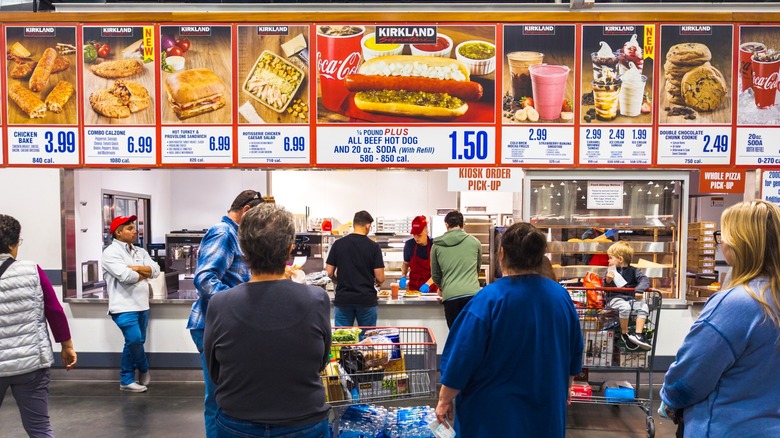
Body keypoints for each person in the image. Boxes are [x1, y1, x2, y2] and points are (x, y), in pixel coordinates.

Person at [435, 222, 583, 436]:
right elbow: (574, 350)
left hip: (493, 418)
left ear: (502, 253)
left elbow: (462, 357)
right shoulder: (560, 297)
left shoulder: (488, 300)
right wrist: (566, 386)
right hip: (546, 411)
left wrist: (444, 399)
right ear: (541, 257)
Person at [204, 203, 331, 438]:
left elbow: (215, 372)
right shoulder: (317, 299)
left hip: (237, 423)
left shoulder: (220, 303)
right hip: (304, 422)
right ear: (290, 249)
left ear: (244, 249)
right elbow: (322, 361)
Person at [660, 200, 780, 437]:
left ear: (739, 243)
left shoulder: (738, 304)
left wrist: (669, 401)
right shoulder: (772, 297)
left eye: (722, 236)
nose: (721, 243)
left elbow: (688, 379)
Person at [187, 189, 264, 437]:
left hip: (228, 324)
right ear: (247, 211)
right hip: (213, 326)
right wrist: (238, 303)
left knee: (229, 393)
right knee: (218, 398)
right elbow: (205, 279)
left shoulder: (237, 235)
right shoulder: (223, 233)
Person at [0, 214, 77, 437]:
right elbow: (54, 311)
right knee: (39, 428)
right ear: (14, 244)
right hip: (31, 363)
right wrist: (67, 346)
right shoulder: (32, 271)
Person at [101, 214, 160, 392]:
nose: (135, 231)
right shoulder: (110, 253)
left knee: (135, 341)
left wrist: (136, 268)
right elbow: (127, 277)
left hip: (142, 305)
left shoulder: (139, 251)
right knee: (134, 339)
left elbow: (156, 270)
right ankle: (143, 368)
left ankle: (126, 379)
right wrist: (143, 272)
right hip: (123, 307)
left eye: (134, 227)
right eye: (130, 228)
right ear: (118, 232)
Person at [326, 210, 385, 328]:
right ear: (367, 226)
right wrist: (376, 282)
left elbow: (329, 272)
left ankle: (344, 348)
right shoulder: (374, 247)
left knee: (343, 340)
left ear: (354, 224)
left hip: (343, 299)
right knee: (367, 340)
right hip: (366, 299)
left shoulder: (338, 244)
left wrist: (337, 280)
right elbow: (380, 277)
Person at [430, 210, 482, 328]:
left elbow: (435, 275)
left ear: (446, 224)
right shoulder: (475, 242)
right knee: (472, 334)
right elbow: (477, 269)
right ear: (463, 224)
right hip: (472, 295)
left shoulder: (436, 245)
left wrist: (444, 287)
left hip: (451, 297)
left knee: (455, 336)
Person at [602, 241, 652, 350]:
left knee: (643, 306)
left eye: (610, 258)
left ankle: (638, 334)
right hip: (614, 299)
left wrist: (639, 290)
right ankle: (625, 333)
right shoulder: (609, 272)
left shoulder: (634, 271)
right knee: (625, 307)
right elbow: (604, 287)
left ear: (620, 259)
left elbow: (645, 280)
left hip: (630, 299)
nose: (608, 260)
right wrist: (608, 281)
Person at [398, 215, 437, 293]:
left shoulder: (434, 245)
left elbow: (438, 271)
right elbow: (406, 263)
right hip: (414, 287)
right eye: (414, 234)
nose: (416, 238)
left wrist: (428, 284)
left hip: (431, 288)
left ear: (426, 231)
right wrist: (403, 276)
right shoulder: (409, 245)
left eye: (419, 235)